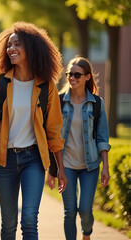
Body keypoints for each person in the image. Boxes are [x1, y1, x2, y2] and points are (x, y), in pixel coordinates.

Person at [0, 22, 68, 239]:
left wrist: (60, 169)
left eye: (17, 44)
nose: (11, 49)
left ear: (31, 47)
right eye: (9, 45)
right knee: (8, 224)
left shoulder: (46, 86)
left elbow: (54, 132)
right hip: (4, 160)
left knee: (29, 219)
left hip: (34, 159)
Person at [46, 57, 111, 240]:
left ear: (87, 77)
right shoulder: (58, 102)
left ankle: (87, 233)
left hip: (89, 166)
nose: (72, 78)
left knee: (84, 210)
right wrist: (52, 171)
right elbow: (52, 137)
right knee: (69, 211)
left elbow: (102, 138)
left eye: (77, 75)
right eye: (69, 74)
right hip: (66, 165)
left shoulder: (97, 104)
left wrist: (105, 166)